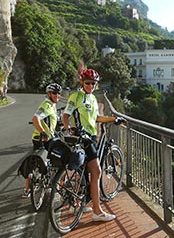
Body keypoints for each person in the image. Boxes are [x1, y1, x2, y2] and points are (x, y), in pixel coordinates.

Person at [62, 69, 124, 222]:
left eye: (93, 83)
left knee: (83, 171)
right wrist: (69, 128)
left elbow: (96, 118)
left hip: (90, 136)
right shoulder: (76, 96)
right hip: (82, 138)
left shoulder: (93, 99)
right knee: (96, 171)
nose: (90, 85)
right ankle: (98, 212)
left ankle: (76, 203)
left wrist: (113, 119)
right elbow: (66, 115)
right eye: (88, 82)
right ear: (82, 82)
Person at [22, 83, 62, 198]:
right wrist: (42, 131)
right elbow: (35, 119)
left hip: (42, 138)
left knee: (36, 162)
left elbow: (49, 120)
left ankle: (28, 190)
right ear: (49, 94)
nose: (57, 96)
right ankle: (51, 186)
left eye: (59, 94)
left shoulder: (52, 105)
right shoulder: (47, 105)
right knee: (55, 160)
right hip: (43, 139)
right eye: (54, 93)